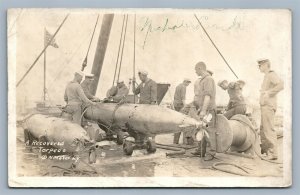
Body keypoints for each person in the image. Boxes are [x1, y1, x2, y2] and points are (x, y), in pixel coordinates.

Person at [184, 61, 216, 161]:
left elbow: (207, 96)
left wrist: (203, 111)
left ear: (200, 68)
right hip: (203, 109)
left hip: (208, 111)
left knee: (209, 131)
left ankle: (211, 152)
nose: (195, 72)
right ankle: (201, 150)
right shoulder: (203, 80)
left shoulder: (208, 79)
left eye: (196, 70)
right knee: (200, 129)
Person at [257, 58, 284, 160]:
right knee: (263, 129)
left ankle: (273, 154)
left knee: (268, 129)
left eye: (260, 65)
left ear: (265, 65)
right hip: (265, 106)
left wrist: (269, 93)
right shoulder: (267, 76)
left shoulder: (271, 74)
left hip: (268, 106)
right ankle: (267, 152)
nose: (259, 67)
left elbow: (281, 85)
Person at [173, 78, 191, 144]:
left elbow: (175, 97)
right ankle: (185, 142)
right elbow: (183, 98)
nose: (188, 84)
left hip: (176, 105)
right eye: (188, 83)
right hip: (180, 105)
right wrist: (185, 106)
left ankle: (175, 142)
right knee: (183, 123)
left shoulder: (178, 86)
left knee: (178, 123)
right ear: (185, 82)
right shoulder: (183, 87)